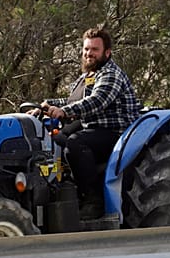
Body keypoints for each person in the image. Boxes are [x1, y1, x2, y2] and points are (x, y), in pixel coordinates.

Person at [36, 27, 142, 219]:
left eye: (94, 49)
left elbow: (97, 101)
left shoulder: (111, 74)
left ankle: (93, 200)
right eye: (86, 49)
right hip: (92, 127)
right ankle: (61, 189)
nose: (88, 54)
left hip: (117, 133)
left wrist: (64, 112)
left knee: (75, 143)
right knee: (53, 140)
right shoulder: (87, 76)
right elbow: (71, 101)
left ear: (106, 53)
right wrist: (46, 105)